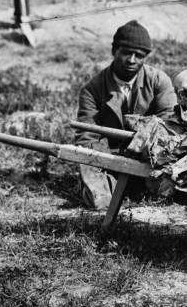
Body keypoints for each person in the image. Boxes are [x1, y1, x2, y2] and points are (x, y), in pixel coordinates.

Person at [74, 20, 177, 208]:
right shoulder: (93, 89)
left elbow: (170, 123)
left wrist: (144, 147)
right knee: (98, 198)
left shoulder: (159, 81)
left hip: (150, 159)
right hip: (110, 161)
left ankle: (138, 188)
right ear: (114, 51)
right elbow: (86, 137)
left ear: (146, 57)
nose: (131, 60)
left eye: (138, 55)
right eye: (126, 53)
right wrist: (110, 160)